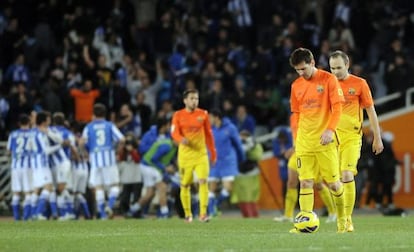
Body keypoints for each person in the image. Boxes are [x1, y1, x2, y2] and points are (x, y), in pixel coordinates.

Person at [289, 48, 346, 233]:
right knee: (305, 182)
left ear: (312, 62)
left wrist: (330, 130)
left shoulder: (329, 79)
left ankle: (343, 219)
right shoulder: (296, 85)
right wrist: (296, 138)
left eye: (303, 69)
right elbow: (296, 114)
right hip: (305, 142)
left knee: (334, 184)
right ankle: (304, 223)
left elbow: (337, 108)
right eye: (297, 70)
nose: (301, 73)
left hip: (325, 142)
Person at [329, 50, 384, 232]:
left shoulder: (360, 84)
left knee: (346, 175)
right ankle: (340, 217)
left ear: (347, 65)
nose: (335, 72)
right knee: (334, 182)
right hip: (331, 138)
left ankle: (346, 219)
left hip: (352, 137)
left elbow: (371, 111)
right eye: (332, 68)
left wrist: (377, 137)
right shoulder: (327, 85)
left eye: (338, 67)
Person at [272, 126, 337, 223]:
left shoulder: (313, 113)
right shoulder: (295, 116)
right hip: (298, 151)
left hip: (313, 150)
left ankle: (333, 212)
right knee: (291, 183)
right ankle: (288, 215)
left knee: (317, 184)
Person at [170, 89, 217, 223]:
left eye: (196, 98)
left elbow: (209, 134)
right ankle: (188, 214)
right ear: (185, 100)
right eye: (192, 98)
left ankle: (203, 214)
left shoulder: (203, 114)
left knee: (203, 181)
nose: (194, 101)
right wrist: (181, 139)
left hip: (201, 155)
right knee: (185, 185)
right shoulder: (178, 115)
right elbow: (173, 132)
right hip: (185, 156)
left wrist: (213, 153)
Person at [81, 103, 125, 219]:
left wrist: (86, 153)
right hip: (109, 160)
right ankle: (109, 206)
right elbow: (122, 139)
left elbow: (81, 143)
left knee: (98, 187)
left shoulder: (88, 127)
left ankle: (103, 215)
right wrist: (116, 151)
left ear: (93, 114)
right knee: (115, 185)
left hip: (95, 161)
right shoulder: (109, 125)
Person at [128, 118, 176, 218]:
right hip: (148, 166)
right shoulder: (166, 145)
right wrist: (165, 168)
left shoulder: (170, 143)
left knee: (150, 193)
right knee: (162, 187)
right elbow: (153, 158)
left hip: (148, 166)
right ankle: (164, 213)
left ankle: (133, 210)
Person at [208, 109, 245, 217]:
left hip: (227, 162)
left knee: (228, 188)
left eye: (210, 117)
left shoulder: (230, 128)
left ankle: (215, 204)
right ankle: (211, 211)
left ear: (216, 117)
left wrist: (242, 158)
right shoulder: (210, 129)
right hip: (214, 162)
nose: (208, 120)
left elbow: (238, 144)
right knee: (212, 187)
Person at [7, 114, 33, 220]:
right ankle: (26, 217)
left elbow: (9, 150)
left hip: (16, 166)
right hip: (28, 166)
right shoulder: (32, 134)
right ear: (29, 122)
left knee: (16, 192)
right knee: (28, 192)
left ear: (19, 123)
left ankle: (17, 218)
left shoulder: (13, 134)